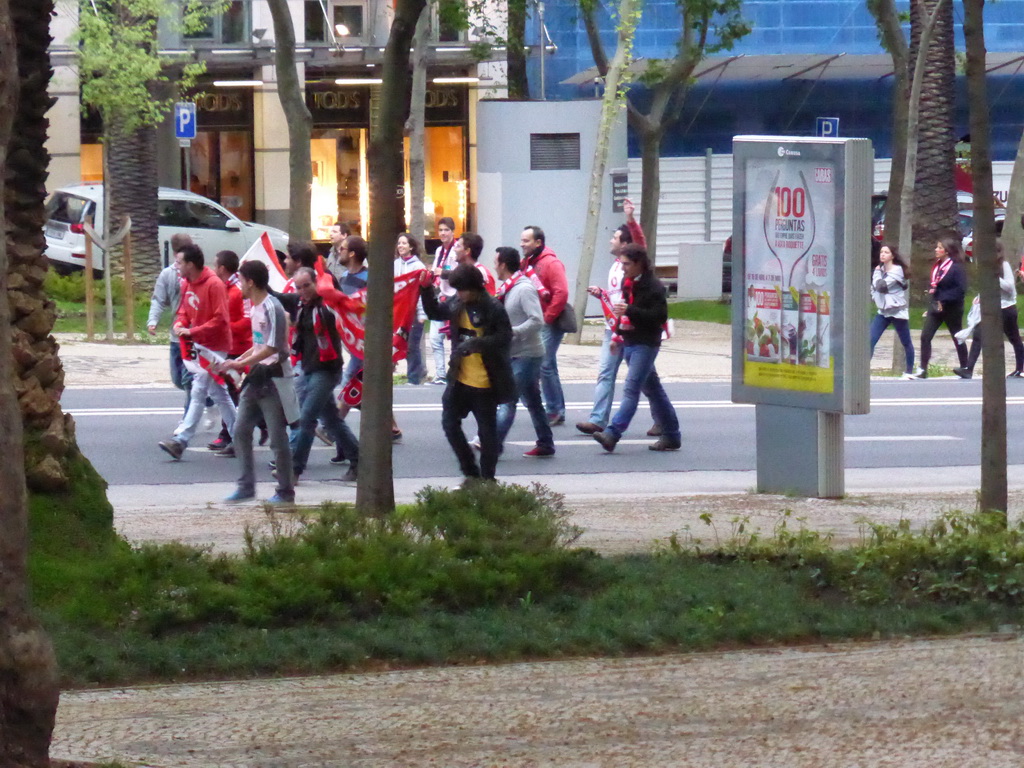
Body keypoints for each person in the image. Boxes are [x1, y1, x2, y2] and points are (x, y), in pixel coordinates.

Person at [419, 264, 514, 482]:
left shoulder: (492, 307)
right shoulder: (458, 302)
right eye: (457, 290)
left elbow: (505, 337)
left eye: (462, 290)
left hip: (485, 382)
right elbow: (435, 312)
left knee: (487, 433)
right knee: (449, 423)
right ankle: (470, 471)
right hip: (460, 379)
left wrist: (478, 344)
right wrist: (425, 290)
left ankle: (488, 479)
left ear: (474, 287)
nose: (459, 294)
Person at [577, 199, 663, 436]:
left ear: (626, 245)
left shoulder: (637, 267)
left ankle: (660, 421)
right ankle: (598, 420)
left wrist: (630, 219)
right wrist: (603, 296)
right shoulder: (618, 267)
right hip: (615, 329)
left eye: (614, 237)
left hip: (636, 331)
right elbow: (618, 299)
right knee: (607, 372)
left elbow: (640, 243)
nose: (610, 240)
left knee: (645, 383)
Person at [219, 260, 296, 505]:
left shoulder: (272, 307)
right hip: (256, 377)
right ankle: (246, 486)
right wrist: (238, 360)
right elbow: (259, 344)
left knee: (277, 437)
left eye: (241, 280)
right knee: (240, 431)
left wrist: (240, 364)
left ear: (250, 282)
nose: (239, 285)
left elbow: (274, 347)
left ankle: (285, 491)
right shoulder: (255, 308)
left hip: (273, 379)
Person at [592, 243, 681, 453]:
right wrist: (617, 335)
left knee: (631, 389)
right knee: (654, 391)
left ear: (639, 263)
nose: (623, 268)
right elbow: (624, 314)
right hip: (630, 341)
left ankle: (612, 433)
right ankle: (672, 435)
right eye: (622, 264)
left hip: (646, 343)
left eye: (627, 264)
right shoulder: (628, 282)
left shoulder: (654, 287)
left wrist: (630, 310)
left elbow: (659, 317)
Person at [158, 244, 236, 460]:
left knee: (200, 388)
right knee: (217, 393)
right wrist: (181, 323)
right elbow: (183, 310)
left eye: (180, 262)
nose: (177, 266)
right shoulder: (186, 283)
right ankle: (240, 436)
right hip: (199, 344)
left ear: (191, 264)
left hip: (215, 345)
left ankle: (181, 440)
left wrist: (192, 331)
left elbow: (221, 319)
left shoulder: (214, 284)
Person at [285, 267, 359, 482]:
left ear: (318, 284)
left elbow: (342, 312)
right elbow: (280, 297)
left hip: (327, 370)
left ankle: (294, 470)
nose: (302, 291)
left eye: (307, 286)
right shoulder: (302, 305)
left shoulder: (327, 307)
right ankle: (358, 461)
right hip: (309, 368)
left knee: (307, 418)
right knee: (332, 420)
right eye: (298, 287)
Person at [494, 247, 555, 457]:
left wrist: (513, 332)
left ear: (503, 265)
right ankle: (546, 443)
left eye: (496, 262)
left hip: (528, 353)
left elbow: (537, 320)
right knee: (533, 400)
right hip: (515, 352)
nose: (494, 266)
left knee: (507, 398)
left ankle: (493, 444)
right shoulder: (508, 288)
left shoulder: (523, 289)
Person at [519, 225, 569, 426]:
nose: (522, 244)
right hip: (537, 321)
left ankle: (554, 409)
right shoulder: (527, 263)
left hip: (548, 322)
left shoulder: (551, 263)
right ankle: (556, 408)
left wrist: (547, 318)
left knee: (544, 364)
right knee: (548, 365)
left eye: (526, 241)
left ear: (538, 243)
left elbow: (561, 293)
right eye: (522, 240)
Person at [953, 241, 1024, 379]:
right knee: (978, 334)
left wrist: (995, 277)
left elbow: (1010, 287)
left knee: (1014, 338)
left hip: (1006, 308)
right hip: (991, 308)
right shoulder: (986, 267)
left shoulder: (1004, 265)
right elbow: (988, 286)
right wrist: (980, 297)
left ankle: (1020, 368)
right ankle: (968, 369)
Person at [208, 249, 255, 454]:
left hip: (242, 349)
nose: (212, 268)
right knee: (230, 393)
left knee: (235, 394)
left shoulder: (238, 289)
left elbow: (247, 320)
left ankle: (233, 436)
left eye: (215, 264)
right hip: (227, 347)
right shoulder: (222, 288)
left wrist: (224, 327)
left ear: (222, 268)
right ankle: (232, 435)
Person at [911, 236, 969, 379]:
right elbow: (935, 287)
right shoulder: (936, 266)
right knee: (925, 336)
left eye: (939, 248)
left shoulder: (956, 268)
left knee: (957, 337)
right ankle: (922, 369)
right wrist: (931, 304)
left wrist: (944, 299)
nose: (936, 250)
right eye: (937, 247)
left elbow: (960, 290)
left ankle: (966, 367)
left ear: (947, 251)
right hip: (936, 308)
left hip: (952, 308)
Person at [147, 234, 192, 409]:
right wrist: (153, 320)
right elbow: (158, 299)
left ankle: (187, 419)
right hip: (176, 335)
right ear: (175, 254)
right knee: (178, 379)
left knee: (190, 381)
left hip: (193, 335)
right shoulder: (168, 274)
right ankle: (209, 400)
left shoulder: (198, 274)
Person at [869, 244, 915, 379]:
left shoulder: (897, 270)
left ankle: (909, 371)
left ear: (892, 256)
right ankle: (864, 370)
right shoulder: (881, 270)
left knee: (906, 341)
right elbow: (874, 288)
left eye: (886, 252)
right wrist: (874, 295)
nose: (882, 254)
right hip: (883, 312)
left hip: (897, 312)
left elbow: (881, 286)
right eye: (881, 252)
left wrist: (876, 273)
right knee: (870, 340)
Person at [394, 233, 427, 385]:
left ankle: (414, 377)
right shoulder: (395, 265)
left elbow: (420, 292)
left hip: (413, 313)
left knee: (412, 346)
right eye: (399, 243)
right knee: (397, 343)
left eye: (404, 243)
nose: (400, 246)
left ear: (411, 247)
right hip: (398, 312)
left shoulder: (418, 266)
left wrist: (421, 313)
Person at [429, 217, 458, 384]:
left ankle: (454, 373)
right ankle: (440, 373)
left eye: (446, 230)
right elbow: (436, 269)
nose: (443, 233)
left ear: (453, 232)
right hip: (441, 295)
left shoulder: (456, 250)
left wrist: (443, 273)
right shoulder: (440, 250)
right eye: (440, 230)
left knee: (454, 337)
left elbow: (458, 272)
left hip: (454, 297)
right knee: (434, 337)